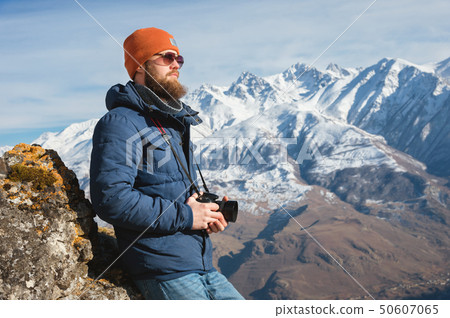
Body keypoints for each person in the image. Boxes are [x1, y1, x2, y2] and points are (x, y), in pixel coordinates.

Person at [89, 27, 244, 300]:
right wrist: (187, 216)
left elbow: (172, 193)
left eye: (179, 59)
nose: (176, 64)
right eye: (166, 57)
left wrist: (205, 215)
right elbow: (111, 199)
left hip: (201, 265)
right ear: (139, 64)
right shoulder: (121, 123)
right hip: (163, 269)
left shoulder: (170, 122)